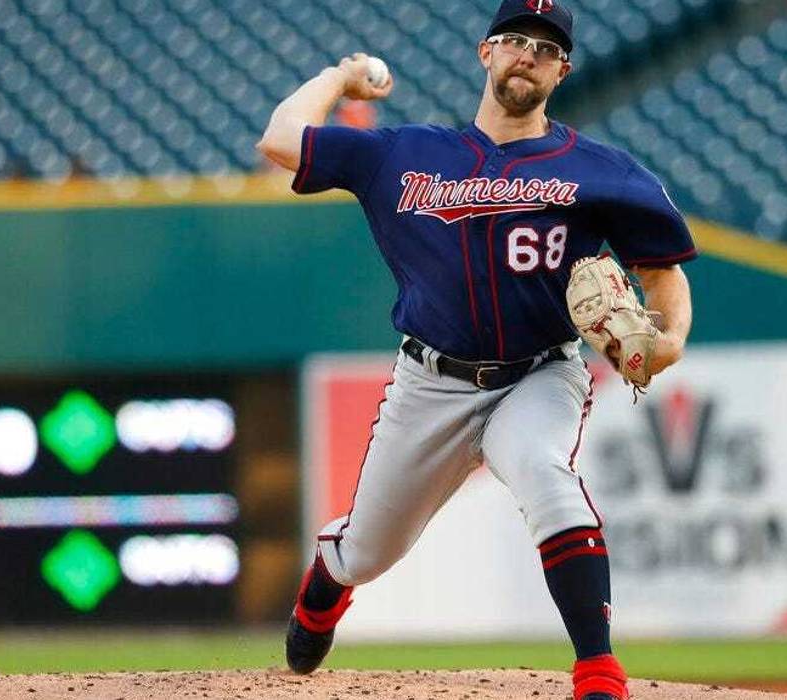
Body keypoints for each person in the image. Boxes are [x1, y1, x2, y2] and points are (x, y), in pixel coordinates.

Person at [255, 3, 696, 699]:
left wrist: (667, 337)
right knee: (371, 550)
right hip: (430, 381)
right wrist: (338, 77)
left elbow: (662, 271)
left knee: (547, 474)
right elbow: (281, 139)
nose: (529, 54)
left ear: (562, 71)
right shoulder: (401, 154)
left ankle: (597, 670)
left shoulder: (599, 170)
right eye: (515, 40)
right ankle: (329, 576)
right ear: (485, 53)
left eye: (546, 48)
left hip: (540, 374)